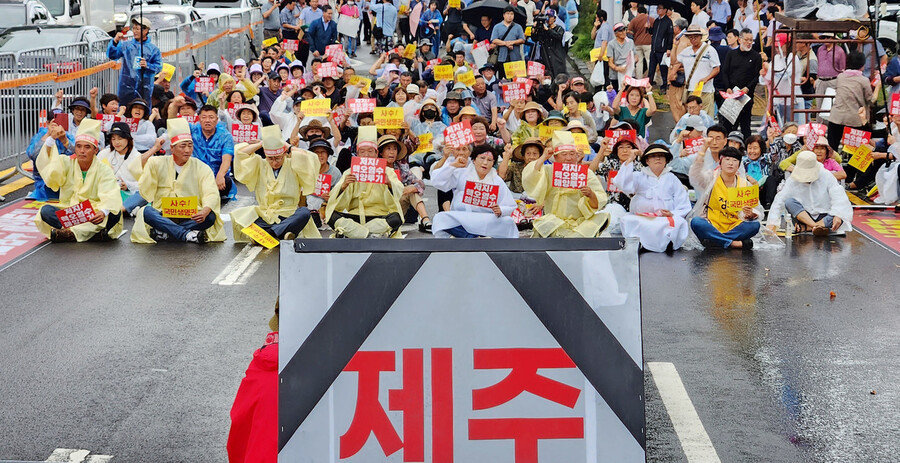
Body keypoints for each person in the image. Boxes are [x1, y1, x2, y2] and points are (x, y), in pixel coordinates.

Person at [131, 118, 225, 244]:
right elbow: (135, 166)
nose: (187, 150)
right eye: (183, 146)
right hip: (163, 213)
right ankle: (186, 234)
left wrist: (205, 210)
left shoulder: (201, 167)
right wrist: (155, 148)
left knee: (210, 216)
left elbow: (211, 192)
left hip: (191, 214)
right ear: (172, 148)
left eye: (190, 146)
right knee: (146, 212)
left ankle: (166, 232)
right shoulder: (159, 162)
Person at [33, 119, 123, 243]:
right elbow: (48, 164)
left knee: (114, 213)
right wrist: (51, 139)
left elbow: (110, 194)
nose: (82, 151)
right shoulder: (66, 162)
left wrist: (103, 211)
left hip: (94, 212)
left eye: (87, 147)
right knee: (45, 211)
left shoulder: (104, 169)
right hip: (72, 211)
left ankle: (71, 232)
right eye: (79, 146)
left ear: (95, 150)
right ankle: (91, 234)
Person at [231, 125, 320, 242]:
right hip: (266, 214)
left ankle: (270, 233)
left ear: (284, 154)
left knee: (304, 213)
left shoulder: (293, 163)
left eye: (278, 158)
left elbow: (308, 158)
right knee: (240, 215)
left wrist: (286, 145)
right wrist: (262, 143)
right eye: (270, 158)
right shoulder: (260, 163)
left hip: (288, 214)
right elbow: (240, 154)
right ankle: (282, 233)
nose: (274, 162)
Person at [523, 131, 609, 237]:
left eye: (572, 154)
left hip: (579, 225)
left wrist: (590, 194)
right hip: (553, 223)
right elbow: (531, 175)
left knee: (600, 218)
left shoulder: (586, 173)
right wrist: (543, 157)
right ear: (555, 157)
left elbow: (598, 202)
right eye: (564, 154)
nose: (568, 158)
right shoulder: (548, 171)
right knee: (543, 226)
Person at [325, 127, 405, 238]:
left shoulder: (387, 172)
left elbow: (399, 191)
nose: (366, 155)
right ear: (357, 154)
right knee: (331, 215)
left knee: (396, 218)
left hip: (379, 216)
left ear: (376, 153)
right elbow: (334, 199)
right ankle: (370, 235)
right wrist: (344, 186)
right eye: (362, 152)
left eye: (370, 151)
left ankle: (354, 233)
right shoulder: (350, 172)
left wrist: (389, 184)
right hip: (355, 214)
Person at [430, 143, 518, 238]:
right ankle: (472, 237)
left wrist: (501, 210)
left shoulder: (497, 180)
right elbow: (437, 181)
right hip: (462, 217)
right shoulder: (462, 173)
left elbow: (510, 205)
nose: (485, 163)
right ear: (474, 160)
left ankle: (469, 236)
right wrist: (454, 165)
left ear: (493, 163)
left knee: (508, 222)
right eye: (482, 158)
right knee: (440, 218)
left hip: (486, 219)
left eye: (489, 160)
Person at [615, 144, 691, 252]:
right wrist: (630, 159)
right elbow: (622, 184)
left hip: (665, 217)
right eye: (653, 156)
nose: (658, 158)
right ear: (647, 161)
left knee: (678, 222)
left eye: (661, 156)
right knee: (628, 220)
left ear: (666, 160)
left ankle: (667, 243)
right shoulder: (639, 176)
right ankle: (640, 243)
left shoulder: (672, 178)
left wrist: (673, 213)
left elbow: (682, 201)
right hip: (643, 217)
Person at [688, 146, 762, 249]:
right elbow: (695, 177)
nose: (731, 163)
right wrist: (702, 151)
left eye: (734, 160)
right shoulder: (711, 178)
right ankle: (733, 243)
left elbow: (757, 210)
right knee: (696, 222)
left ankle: (716, 241)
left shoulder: (745, 184)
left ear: (739, 165)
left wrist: (750, 214)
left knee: (755, 225)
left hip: (734, 225)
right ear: (720, 163)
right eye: (727, 159)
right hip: (712, 223)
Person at [767, 150, 852, 236]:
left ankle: (808, 228)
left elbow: (839, 198)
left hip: (825, 215)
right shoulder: (793, 179)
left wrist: (838, 215)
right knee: (789, 202)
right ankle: (815, 226)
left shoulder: (826, 175)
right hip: (804, 216)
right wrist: (772, 223)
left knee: (839, 216)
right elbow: (780, 200)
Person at [98, 122, 164, 216]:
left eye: (120, 138)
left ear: (128, 139)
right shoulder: (104, 154)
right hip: (108, 193)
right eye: (113, 139)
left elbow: (146, 184)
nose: (116, 142)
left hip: (128, 195)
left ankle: (119, 210)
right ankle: (114, 210)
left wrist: (128, 185)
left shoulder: (137, 157)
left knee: (142, 194)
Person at [826, 51, 876, 153]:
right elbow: (871, 100)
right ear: (862, 65)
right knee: (854, 150)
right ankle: (851, 169)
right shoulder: (863, 80)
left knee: (832, 147)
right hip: (855, 119)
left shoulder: (840, 77)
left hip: (837, 116)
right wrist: (878, 86)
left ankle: (831, 167)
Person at [107, 17, 162, 103]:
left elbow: (158, 67)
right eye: (134, 28)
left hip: (144, 88)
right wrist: (115, 41)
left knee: (143, 110)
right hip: (125, 87)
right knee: (124, 110)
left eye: (137, 29)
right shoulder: (126, 45)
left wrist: (147, 65)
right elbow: (112, 55)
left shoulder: (153, 49)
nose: (134, 31)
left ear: (146, 30)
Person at [719, 28, 762, 138]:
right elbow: (724, 71)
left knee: (745, 125)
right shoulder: (731, 54)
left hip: (746, 95)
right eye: (746, 40)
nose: (749, 43)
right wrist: (728, 87)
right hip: (732, 94)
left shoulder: (756, 56)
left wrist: (748, 88)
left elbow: (757, 75)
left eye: (751, 40)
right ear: (740, 40)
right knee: (728, 124)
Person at [191, 105, 237, 202]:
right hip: (195, 176)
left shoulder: (225, 136)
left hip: (216, 177)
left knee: (226, 182)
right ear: (199, 119)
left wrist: (220, 175)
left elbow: (226, 159)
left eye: (211, 117)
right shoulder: (193, 130)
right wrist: (174, 105)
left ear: (216, 120)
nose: (207, 120)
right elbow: (174, 124)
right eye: (204, 117)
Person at [674, 25, 719, 116]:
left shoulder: (710, 50)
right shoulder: (686, 51)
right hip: (691, 90)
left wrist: (706, 79)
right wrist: (675, 45)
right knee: (692, 118)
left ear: (700, 37)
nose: (693, 39)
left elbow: (717, 68)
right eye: (691, 37)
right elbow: (674, 61)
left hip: (706, 91)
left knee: (706, 119)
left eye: (695, 36)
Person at [666, 18, 691, 122]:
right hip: (684, 74)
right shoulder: (680, 39)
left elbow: (677, 60)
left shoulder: (683, 40)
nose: (673, 28)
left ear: (679, 28)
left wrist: (672, 73)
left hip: (679, 74)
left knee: (677, 102)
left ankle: (680, 124)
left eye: (674, 26)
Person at [490, 7, 526, 78]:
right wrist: (506, 44)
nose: (509, 16)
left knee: (517, 79)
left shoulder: (518, 27)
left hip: (515, 57)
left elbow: (522, 40)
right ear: (504, 15)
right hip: (502, 57)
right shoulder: (497, 27)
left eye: (511, 14)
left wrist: (512, 42)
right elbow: (494, 40)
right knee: (503, 79)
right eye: (508, 14)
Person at [648, 5, 673, 91]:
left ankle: (664, 85)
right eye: (657, 8)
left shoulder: (668, 21)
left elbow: (670, 35)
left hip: (662, 49)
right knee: (651, 68)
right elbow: (653, 33)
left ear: (665, 10)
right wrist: (648, 28)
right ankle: (648, 84)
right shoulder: (656, 21)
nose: (658, 10)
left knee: (663, 69)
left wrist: (669, 48)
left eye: (660, 8)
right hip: (654, 48)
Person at [627, 6, 654, 79]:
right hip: (648, 43)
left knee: (639, 62)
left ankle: (639, 78)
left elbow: (628, 30)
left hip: (637, 43)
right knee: (649, 61)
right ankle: (651, 78)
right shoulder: (651, 19)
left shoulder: (634, 19)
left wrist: (634, 34)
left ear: (638, 12)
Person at [607, 22, 635, 90]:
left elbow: (635, 56)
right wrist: (617, 68)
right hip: (616, 73)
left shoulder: (630, 42)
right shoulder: (611, 44)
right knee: (617, 94)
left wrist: (633, 61)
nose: (623, 32)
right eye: (620, 31)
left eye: (624, 30)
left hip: (629, 72)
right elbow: (610, 62)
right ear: (616, 34)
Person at [592, 9, 613, 87]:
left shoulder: (605, 28)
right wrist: (594, 27)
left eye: (597, 18)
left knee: (604, 73)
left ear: (601, 18)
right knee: (600, 73)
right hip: (598, 53)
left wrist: (601, 55)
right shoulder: (601, 27)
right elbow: (592, 36)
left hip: (603, 54)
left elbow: (604, 42)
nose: (596, 19)